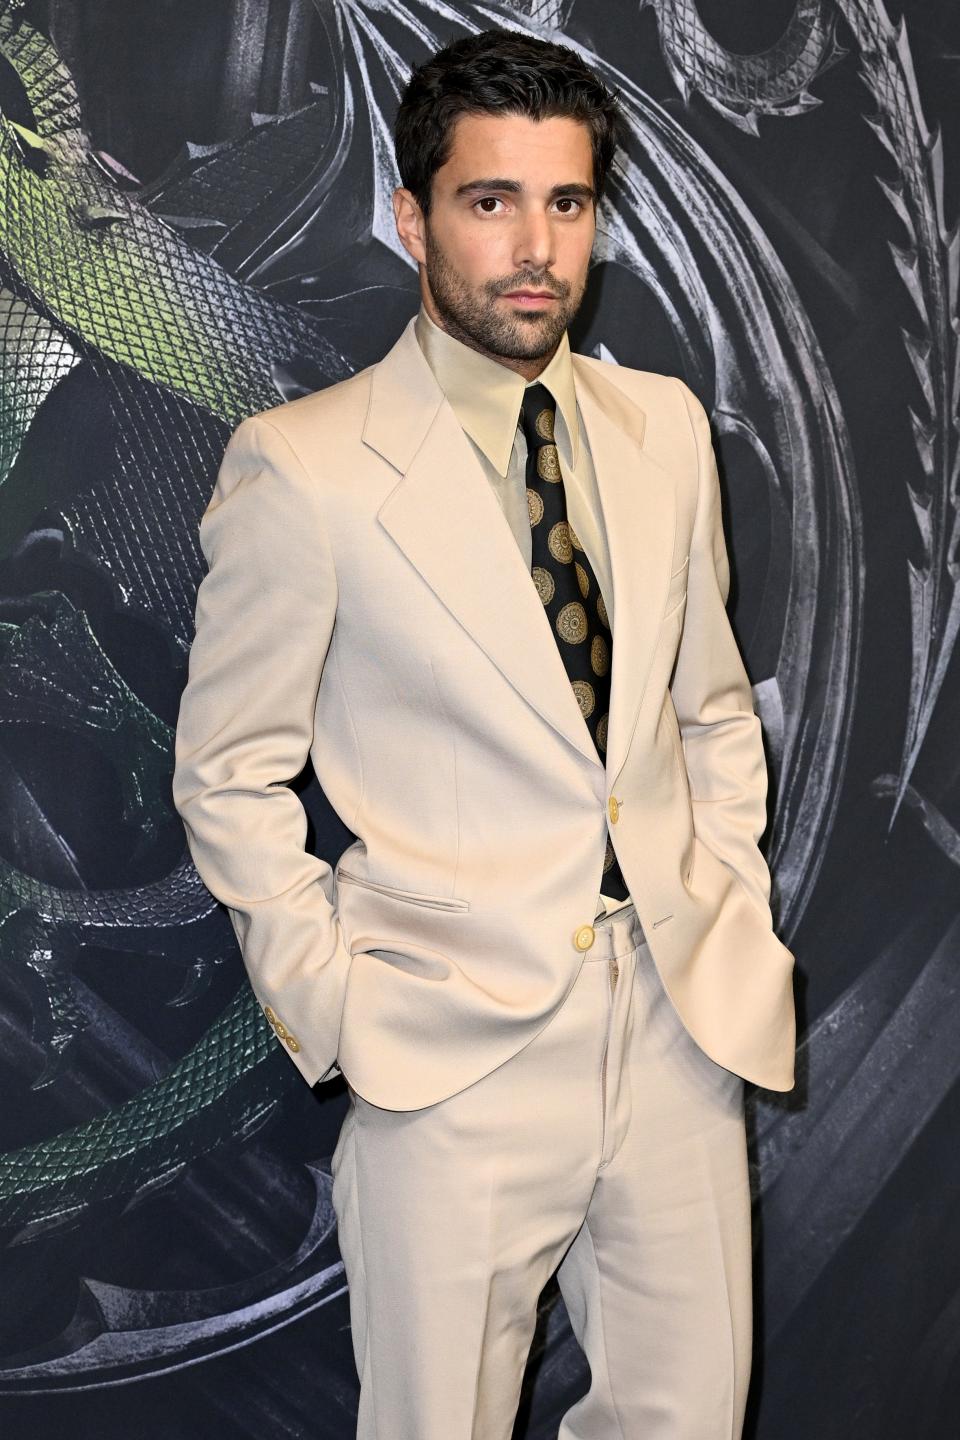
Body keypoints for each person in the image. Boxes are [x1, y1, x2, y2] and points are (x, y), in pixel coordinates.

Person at [172, 26, 796, 1439]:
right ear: (412, 216)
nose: (534, 246)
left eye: (565, 203)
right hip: (447, 1054)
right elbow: (227, 773)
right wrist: (334, 998)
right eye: (489, 199)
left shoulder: (664, 427)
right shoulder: (304, 467)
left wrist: (726, 899)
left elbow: (707, 707)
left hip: (678, 1030)